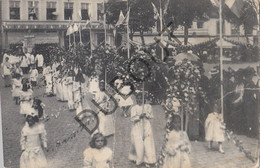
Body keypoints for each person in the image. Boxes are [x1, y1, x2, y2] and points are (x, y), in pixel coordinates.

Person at [128, 94, 156, 167]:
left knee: (148, 142)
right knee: (138, 143)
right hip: (137, 126)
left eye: (141, 98)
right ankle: (139, 160)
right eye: (138, 98)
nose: (139, 100)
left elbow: (151, 116)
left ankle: (149, 160)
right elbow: (132, 119)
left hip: (146, 125)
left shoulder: (148, 107)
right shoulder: (134, 108)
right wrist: (139, 117)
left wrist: (146, 114)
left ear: (144, 99)